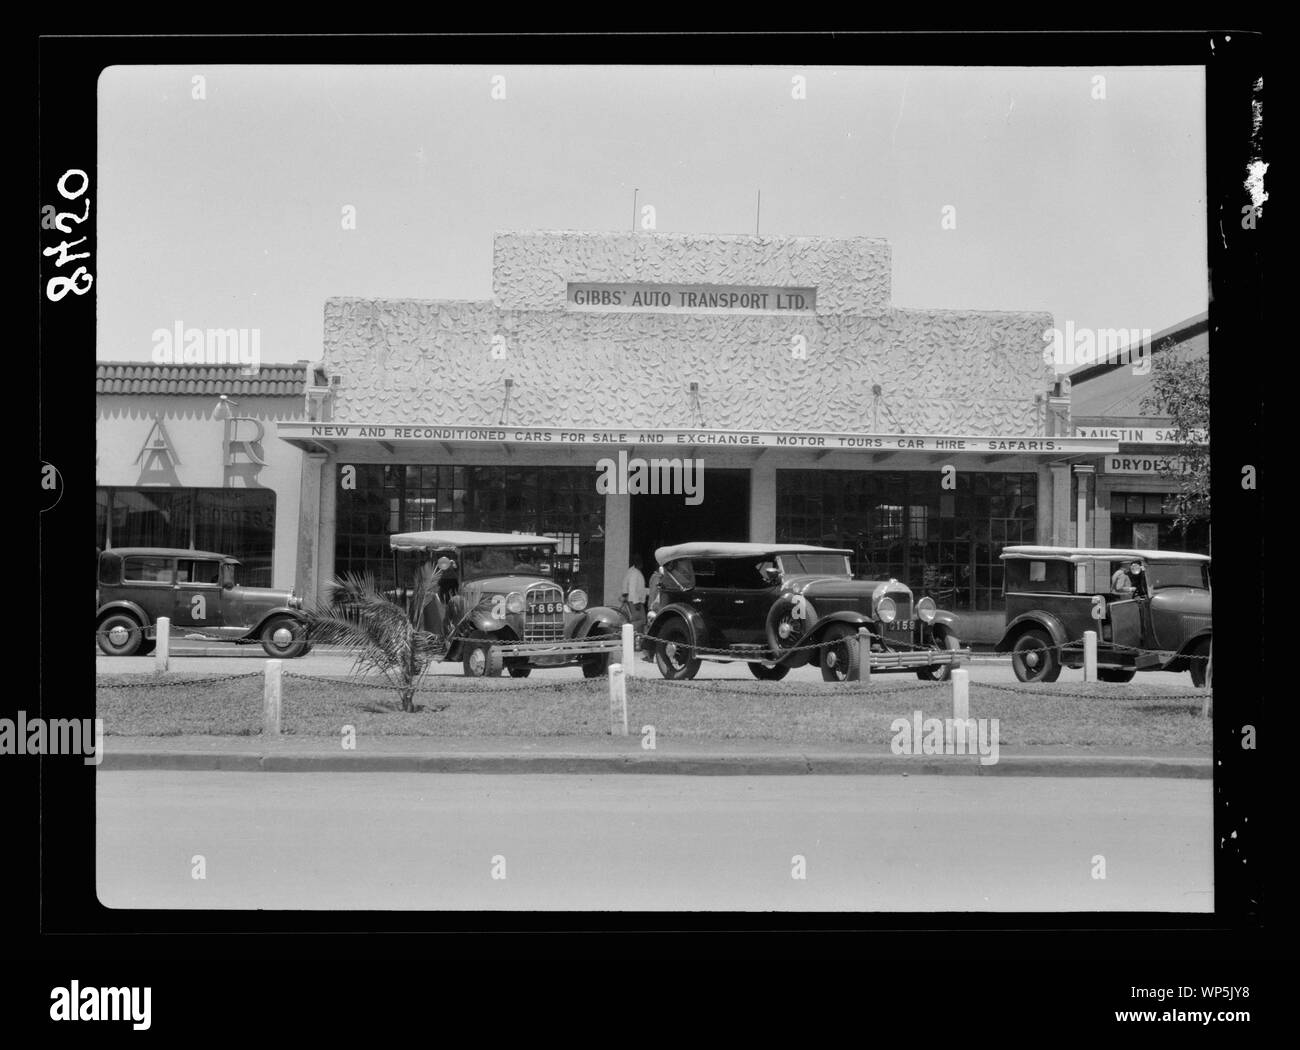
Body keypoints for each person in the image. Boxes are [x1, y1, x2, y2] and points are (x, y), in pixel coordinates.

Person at [621, 554, 648, 649]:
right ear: (638, 563)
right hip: (635, 601)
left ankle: (637, 644)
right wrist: (636, 602)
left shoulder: (632, 571)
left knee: (637, 622)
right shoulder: (635, 573)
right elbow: (632, 588)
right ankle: (625, 633)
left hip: (632, 600)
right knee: (641, 621)